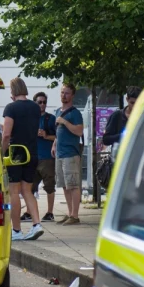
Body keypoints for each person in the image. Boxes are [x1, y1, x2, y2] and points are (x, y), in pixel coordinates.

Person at [1, 78, 44, 241]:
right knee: (27, 190)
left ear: (12, 91)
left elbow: (6, 134)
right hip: (33, 152)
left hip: (16, 154)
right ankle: (36, 224)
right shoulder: (35, 107)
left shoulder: (11, 108)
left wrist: (1, 152)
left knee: (14, 191)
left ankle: (17, 230)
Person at [54, 83, 85, 224]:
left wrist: (65, 122)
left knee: (73, 185)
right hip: (60, 153)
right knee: (65, 185)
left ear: (72, 95)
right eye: (62, 92)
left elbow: (79, 131)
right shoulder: (57, 111)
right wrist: (54, 144)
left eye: (66, 93)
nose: (63, 95)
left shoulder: (75, 113)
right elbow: (57, 133)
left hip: (70, 153)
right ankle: (69, 212)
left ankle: (75, 215)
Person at [34, 92, 57, 222]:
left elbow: (58, 137)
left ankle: (50, 212)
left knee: (49, 186)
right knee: (30, 186)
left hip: (47, 157)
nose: (42, 105)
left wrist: (46, 135)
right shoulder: (31, 118)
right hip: (33, 156)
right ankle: (29, 212)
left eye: (44, 102)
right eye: (39, 102)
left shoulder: (50, 119)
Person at [101, 86, 140, 160]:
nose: (135, 106)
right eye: (132, 103)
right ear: (127, 99)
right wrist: (122, 136)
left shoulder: (142, 116)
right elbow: (106, 139)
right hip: (119, 160)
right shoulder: (117, 116)